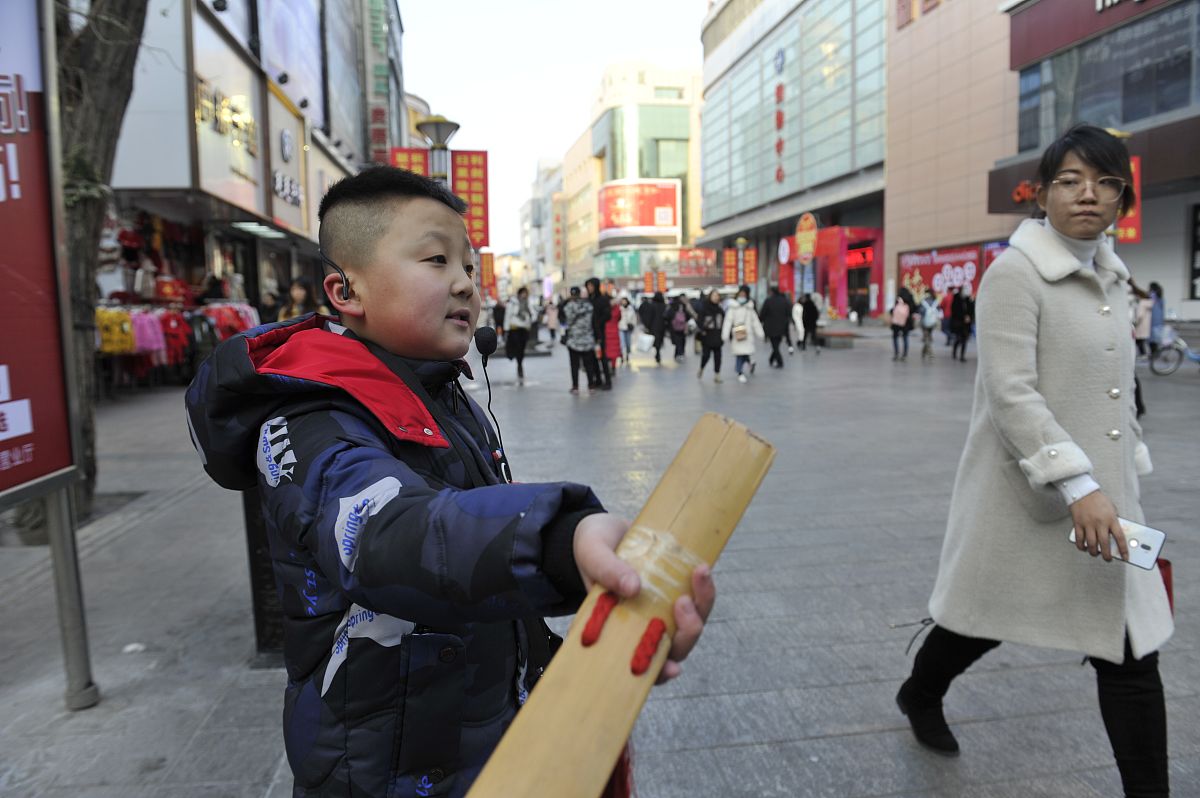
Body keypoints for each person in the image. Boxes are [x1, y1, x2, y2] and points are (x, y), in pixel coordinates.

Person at [184, 167, 715, 797]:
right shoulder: (309, 420)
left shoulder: (441, 389)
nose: (466, 282)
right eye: (437, 260)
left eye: (470, 265)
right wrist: (557, 541)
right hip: (385, 775)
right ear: (345, 289)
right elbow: (387, 532)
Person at [895, 126, 1171, 798]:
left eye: (1106, 183)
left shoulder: (1111, 271)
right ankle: (920, 692)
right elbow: (1011, 394)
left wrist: (1125, 468)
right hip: (1027, 496)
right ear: (1042, 192)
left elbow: (1113, 382)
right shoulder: (1014, 274)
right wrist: (1077, 483)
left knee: (1132, 650)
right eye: (1071, 180)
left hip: (1105, 502)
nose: (1089, 194)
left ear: (1121, 199)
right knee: (976, 622)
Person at [721, 285, 764, 383]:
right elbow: (728, 321)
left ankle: (749, 363)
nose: (742, 296)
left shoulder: (750, 308)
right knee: (739, 354)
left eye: (744, 294)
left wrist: (760, 333)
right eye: (740, 294)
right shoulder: (732, 308)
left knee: (745, 353)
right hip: (737, 335)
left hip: (748, 335)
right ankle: (740, 372)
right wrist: (725, 334)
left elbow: (755, 322)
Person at [563, 286, 600, 393]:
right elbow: (594, 322)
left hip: (573, 340)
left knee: (574, 365)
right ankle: (591, 385)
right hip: (587, 339)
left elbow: (564, 319)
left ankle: (575, 386)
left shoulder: (568, 306)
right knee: (589, 364)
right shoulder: (588, 306)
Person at [585, 278, 613, 389]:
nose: (589, 288)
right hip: (589, 333)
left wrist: (597, 323)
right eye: (588, 286)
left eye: (591, 285)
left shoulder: (602, 300)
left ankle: (608, 381)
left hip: (599, 333)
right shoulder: (588, 300)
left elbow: (608, 315)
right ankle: (598, 380)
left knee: (602, 357)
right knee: (592, 358)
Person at [758, 286, 792, 368]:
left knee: (775, 345)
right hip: (782, 327)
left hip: (771, 327)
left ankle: (780, 362)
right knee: (776, 344)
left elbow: (763, 314)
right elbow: (789, 313)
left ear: (772, 292)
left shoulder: (768, 301)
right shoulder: (785, 301)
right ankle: (771, 359)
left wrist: (760, 321)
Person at [696, 289, 725, 383]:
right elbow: (699, 321)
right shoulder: (704, 308)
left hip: (717, 336)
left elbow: (724, 322)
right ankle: (701, 368)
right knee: (706, 356)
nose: (716, 297)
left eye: (717, 296)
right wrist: (702, 331)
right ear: (710, 297)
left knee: (718, 357)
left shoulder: (720, 309)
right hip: (707, 336)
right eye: (714, 295)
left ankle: (717, 375)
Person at [504, 286, 533, 383]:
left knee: (522, 348)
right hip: (514, 328)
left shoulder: (528, 302)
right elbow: (508, 315)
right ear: (520, 293)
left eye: (526, 293)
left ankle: (520, 363)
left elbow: (532, 314)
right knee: (517, 346)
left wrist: (531, 319)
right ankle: (519, 364)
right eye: (523, 293)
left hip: (524, 328)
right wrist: (506, 329)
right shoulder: (513, 302)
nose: (524, 295)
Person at [638, 292, 668, 364]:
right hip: (662, 326)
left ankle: (657, 352)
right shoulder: (664, 306)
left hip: (654, 326)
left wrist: (647, 325)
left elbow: (649, 316)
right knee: (659, 339)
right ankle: (658, 352)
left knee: (656, 340)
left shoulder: (652, 305)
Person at [890, 287, 915, 362]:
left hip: (897, 321)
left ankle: (896, 353)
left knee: (895, 337)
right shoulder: (910, 298)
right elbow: (914, 309)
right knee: (905, 337)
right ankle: (904, 354)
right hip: (906, 322)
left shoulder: (899, 298)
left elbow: (894, 310)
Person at [949, 285, 974, 362]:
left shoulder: (968, 300)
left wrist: (969, 317)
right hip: (958, 323)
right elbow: (954, 311)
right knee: (958, 339)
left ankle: (962, 355)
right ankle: (954, 351)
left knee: (964, 340)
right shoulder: (956, 299)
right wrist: (963, 317)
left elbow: (971, 310)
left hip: (966, 324)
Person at [665, 294, 692, 362]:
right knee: (681, 340)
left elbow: (667, 315)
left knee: (678, 341)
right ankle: (680, 353)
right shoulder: (683, 305)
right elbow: (688, 316)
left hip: (674, 327)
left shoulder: (672, 305)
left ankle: (678, 353)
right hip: (682, 326)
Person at [919, 291, 941, 360]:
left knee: (926, 337)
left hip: (924, 323)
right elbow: (938, 310)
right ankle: (924, 352)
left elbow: (920, 311)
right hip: (932, 323)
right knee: (928, 336)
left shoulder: (923, 302)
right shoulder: (935, 302)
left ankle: (930, 352)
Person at [617, 296, 637, 363]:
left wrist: (633, 325)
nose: (623, 302)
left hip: (628, 328)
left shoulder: (631, 309)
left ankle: (627, 354)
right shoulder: (619, 309)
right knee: (622, 343)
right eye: (622, 301)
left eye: (624, 301)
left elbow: (634, 318)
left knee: (628, 343)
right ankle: (622, 355)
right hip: (621, 328)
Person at [1148, 282, 1164, 356]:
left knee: (1151, 337)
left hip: (1152, 318)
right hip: (1159, 318)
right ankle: (1156, 353)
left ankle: (1153, 354)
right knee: (1156, 336)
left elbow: (1149, 306)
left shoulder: (1152, 295)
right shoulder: (1160, 296)